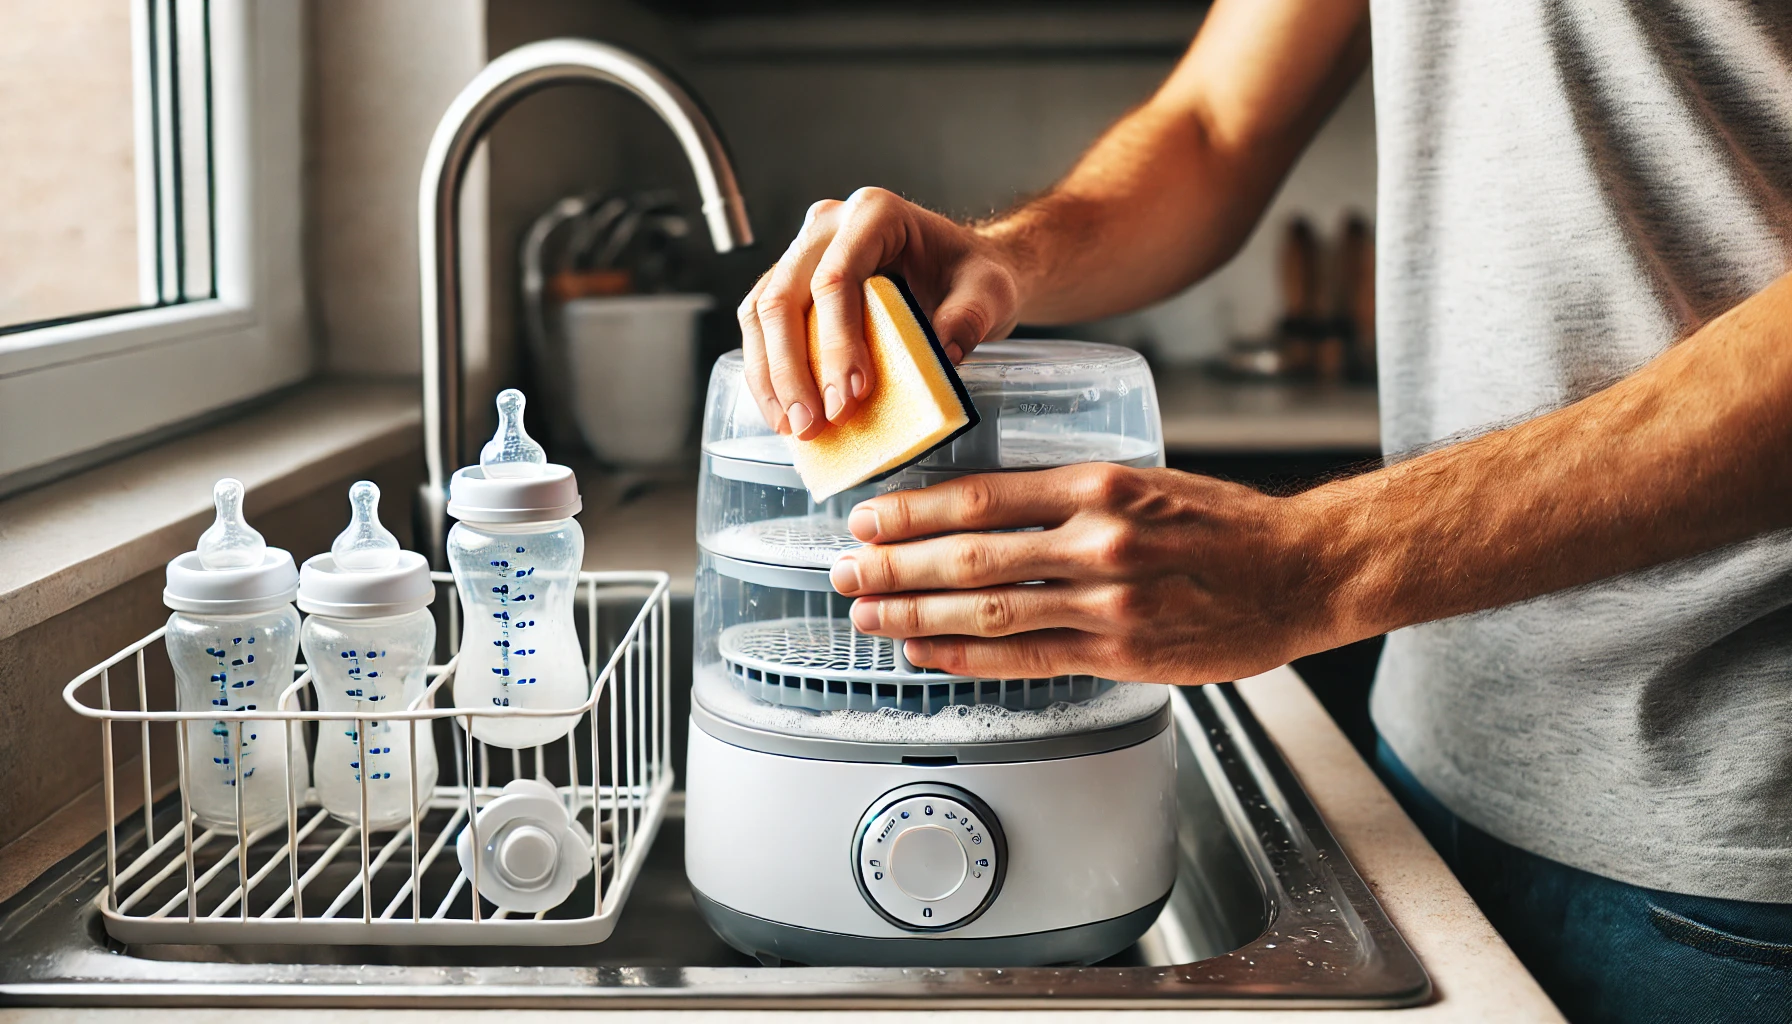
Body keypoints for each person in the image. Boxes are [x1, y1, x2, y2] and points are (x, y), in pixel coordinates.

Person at [735, 0, 1792, 1019]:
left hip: (1727, 852)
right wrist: (1010, 252)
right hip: (1425, 781)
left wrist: (1318, 563)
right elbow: (1213, 126)